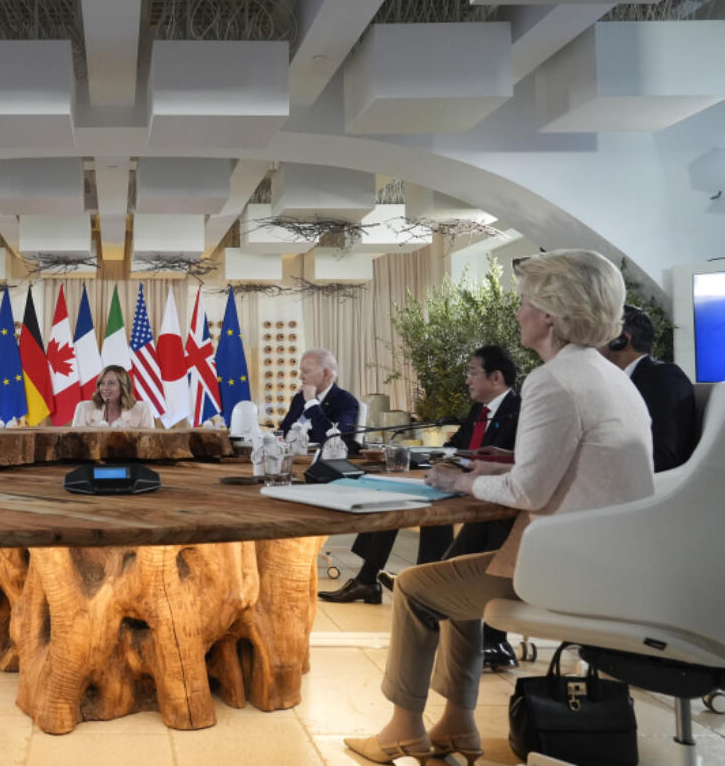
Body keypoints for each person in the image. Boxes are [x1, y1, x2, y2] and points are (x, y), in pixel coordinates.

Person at [343, 249, 654, 765]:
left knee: (419, 588)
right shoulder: (608, 377)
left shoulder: (553, 382)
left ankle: (402, 727)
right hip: (610, 562)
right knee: (454, 583)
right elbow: (567, 469)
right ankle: (456, 724)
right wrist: (492, 471)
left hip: (568, 571)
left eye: (525, 301)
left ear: (550, 314)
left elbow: (529, 495)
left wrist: (457, 481)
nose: (518, 312)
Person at [321, 346, 520, 609]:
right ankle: (372, 579)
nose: (466, 379)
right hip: (457, 482)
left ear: (496, 377)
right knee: (395, 495)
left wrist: (456, 463)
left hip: (486, 492)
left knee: (428, 502)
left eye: (472, 372)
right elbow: (458, 445)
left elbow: (506, 459)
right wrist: (424, 453)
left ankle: (422, 581)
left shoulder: (518, 410)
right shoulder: (479, 409)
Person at [600, 303, 698, 471]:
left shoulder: (665, 377)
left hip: (650, 489)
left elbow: (663, 455)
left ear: (621, 341)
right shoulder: (620, 381)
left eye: (597, 336)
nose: (589, 345)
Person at [278, 348, 360, 445]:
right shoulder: (300, 397)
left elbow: (331, 439)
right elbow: (283, 431)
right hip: (292, 456)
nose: (301, 377)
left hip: (320, 458)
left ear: (326, 373)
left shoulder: (346, 401)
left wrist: (312, 403)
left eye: (306, 371)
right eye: (301, 371)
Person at [71, 365, 155, 427]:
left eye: (111, 383)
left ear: (123, 387)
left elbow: (148, 444)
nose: (105, 388)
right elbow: (75, 443)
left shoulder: (142, 409)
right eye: (102, 383)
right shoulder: (84, 407)